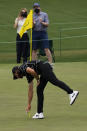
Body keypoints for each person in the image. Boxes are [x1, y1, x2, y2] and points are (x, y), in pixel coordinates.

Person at [12, 60, 79, 119]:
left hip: (44, 66)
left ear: (16, 71)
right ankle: (39, 113)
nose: (17, 77)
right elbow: (30, 90)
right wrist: (29, 104)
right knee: (39, 89)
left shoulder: (22, 68)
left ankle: (71, 92)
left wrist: (38, 79)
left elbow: (31, 71)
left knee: (54, 81)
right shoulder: (27, 75)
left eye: (16, 76)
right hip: (43, 69)